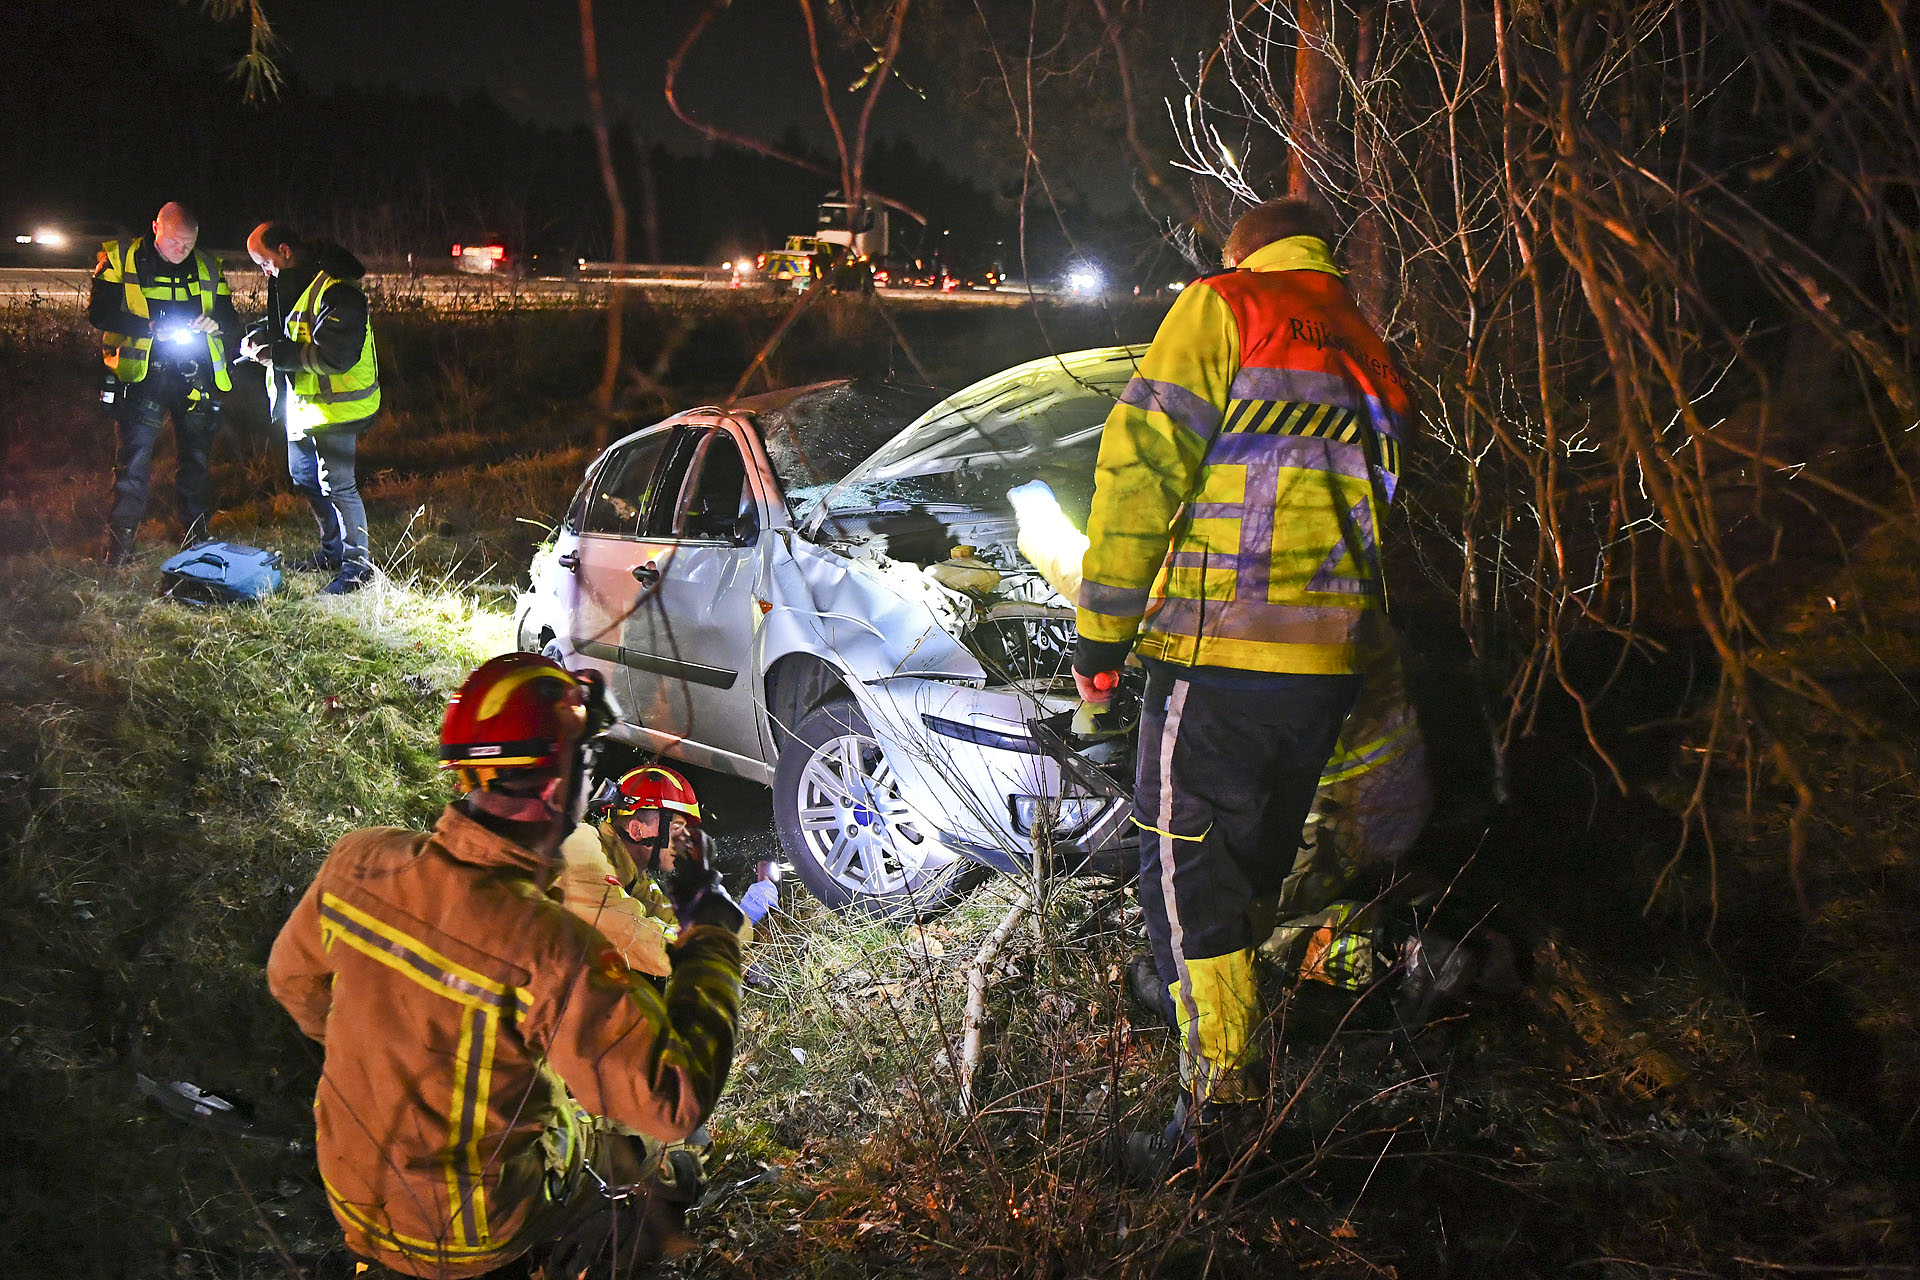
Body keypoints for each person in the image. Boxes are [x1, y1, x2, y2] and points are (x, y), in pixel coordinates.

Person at [1071, 197, 1416, 1171]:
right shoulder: (1367, 342)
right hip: (1325, 664)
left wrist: (1102, 628)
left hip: (1218, 654)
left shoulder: (1226, 307)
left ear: (1240, 252)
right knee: (1251, 864)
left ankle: (1219, 1124)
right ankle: (1211, 1013)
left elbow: (1139, 470)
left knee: (1185, 877)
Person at [267, 654, 746, 1278]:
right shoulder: (551, 947)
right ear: (558, 782)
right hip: (470, 1233)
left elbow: (291, 982)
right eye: (588, 764)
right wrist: (711, 938)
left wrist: (386, 1055)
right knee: (662, 1155)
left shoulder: (358, 863)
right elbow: (672, 1101)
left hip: (351, 1194)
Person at [88, 202, 240, 562]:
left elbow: (228, 317)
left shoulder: (206, 265)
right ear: (155, 227)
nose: (181, 251)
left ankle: (195, 534)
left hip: (194, 374)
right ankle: (120, 543)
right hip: (140, 376)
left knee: (197, 460)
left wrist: (214, 323)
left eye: (188, 244)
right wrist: (149, 327)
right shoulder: (119, 260)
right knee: (134, 460)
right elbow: (99, 313)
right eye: (174, 242)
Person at [237, 222, 381, 594]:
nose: (263, 271)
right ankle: (333, 552)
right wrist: (260, 335)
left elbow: (335, 356)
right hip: (301, 404)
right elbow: (288, 327)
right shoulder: (290, 282)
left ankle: (357, 568)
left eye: (264, 261)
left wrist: (272, 354)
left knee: (339, 486)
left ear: (285, 251)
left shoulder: (339, 291)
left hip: (338, 408)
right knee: (304, 479)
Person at [557, 764, 705, 978]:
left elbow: (676, 915)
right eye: (676, 829)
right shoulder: (583, 849)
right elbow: (651, 948)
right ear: (637, 830)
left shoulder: (629, 871)